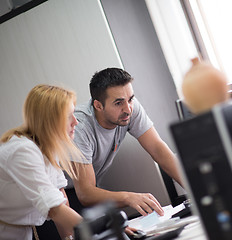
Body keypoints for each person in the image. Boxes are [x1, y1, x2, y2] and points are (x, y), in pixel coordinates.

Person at [72, 67, 183, 217]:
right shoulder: (80, 126)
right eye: (118, 103)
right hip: (63, 193)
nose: (128, 109)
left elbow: (158, 149)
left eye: (130, 99)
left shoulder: (130, 107)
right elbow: (86, 194)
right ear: (98, 105)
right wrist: (129, 197)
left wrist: (195, 188)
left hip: (90, 188)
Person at [0, 84, 83, 240]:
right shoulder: (23, 151)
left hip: (20, 229)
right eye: (69, 116)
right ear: (50, 120)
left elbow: (60, 196)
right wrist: (94, 229)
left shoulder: (48, 147)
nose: (76, 122)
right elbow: (54, 209)